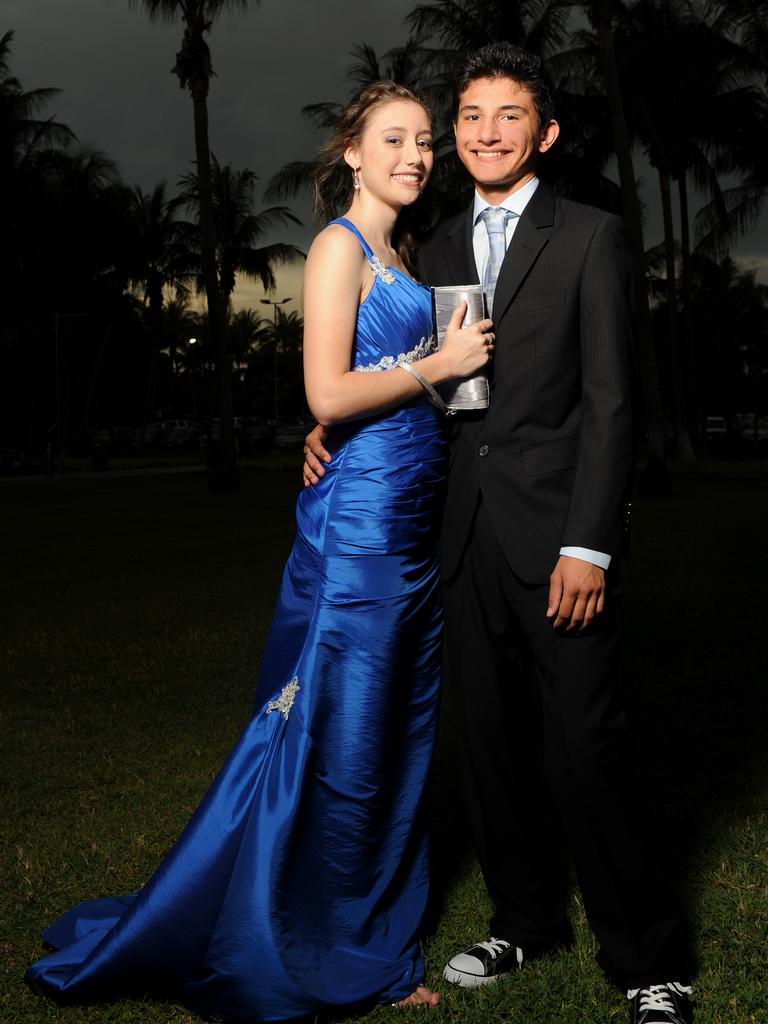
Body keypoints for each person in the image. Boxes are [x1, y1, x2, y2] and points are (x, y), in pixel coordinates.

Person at [25, 81, 493, 1023]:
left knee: (395, 744)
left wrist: (424, 389)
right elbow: (325, 394)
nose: (416, 155)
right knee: (341, 744)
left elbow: (374, 396)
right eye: (394, 140)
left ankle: (361, 932)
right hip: (357, 541)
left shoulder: (405, 253)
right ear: (350, 153)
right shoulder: (338, 246)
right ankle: (301, 944)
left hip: (407, 535)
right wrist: (437, 367)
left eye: (425, 142)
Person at [302, 45, 694, 1024]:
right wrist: (329, 426)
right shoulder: (433, 247)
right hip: (459, 536)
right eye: (469, 115)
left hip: (559, 540)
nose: (483, 132)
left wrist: (591, 544)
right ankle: (523, 919)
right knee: (486, 744)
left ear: (544, 132)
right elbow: (442, 391)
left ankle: (651, 959)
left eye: (506, 116)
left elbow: (612, 406)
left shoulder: (591, 238)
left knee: (583, 743)